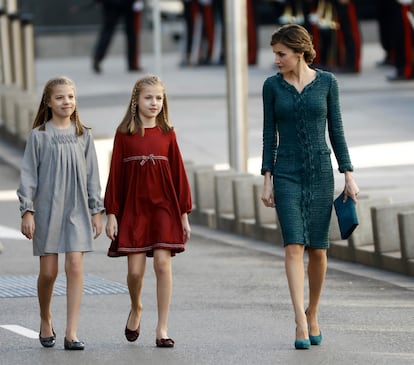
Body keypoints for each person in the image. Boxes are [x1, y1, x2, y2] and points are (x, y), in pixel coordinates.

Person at [260, 24, 359, 350]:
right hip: (286, 172)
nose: (275, 59)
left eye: (280, 53)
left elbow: (338, 131)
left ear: (299, 52)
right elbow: (268, 135)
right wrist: (267, 178)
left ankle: (313, 312)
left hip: (320, 173)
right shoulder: (272, 87)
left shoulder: (328, 83)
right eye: (274, 53)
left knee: (318, 249)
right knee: (293, 246)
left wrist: (348, 173)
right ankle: (299, 321)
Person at [17, 76, 104, 350]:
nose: (67, 101)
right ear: (48, 102)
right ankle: (46, 318)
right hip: (47, 210)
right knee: (49, 272)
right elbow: (28, 176)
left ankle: (71, 332)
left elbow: (92, 176)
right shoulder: (39, 136)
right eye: (60, 97)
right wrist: (27, 211)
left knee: (75, 266)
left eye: (70, 97)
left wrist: (96, 209)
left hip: (77, 208)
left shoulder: (83, 135)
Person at [104, 75, 192, 348]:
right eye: (148, 97)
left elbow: (178, 174)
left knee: (163, 264)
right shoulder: (124, 135)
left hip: (164, 207)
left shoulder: (168, 134)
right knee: (135, 272)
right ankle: (137, 307)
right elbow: (115, 176)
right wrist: (111, 213)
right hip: (134, 209)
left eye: (158, 98)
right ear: (136, 100)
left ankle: (162, 328)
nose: (154, 103)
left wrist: (184, 215)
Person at [92, 0, 142, 73]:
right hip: (127, 3)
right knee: (131, 33)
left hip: (111, 3)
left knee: (107, 31)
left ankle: (98, 57)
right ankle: (132, 63)